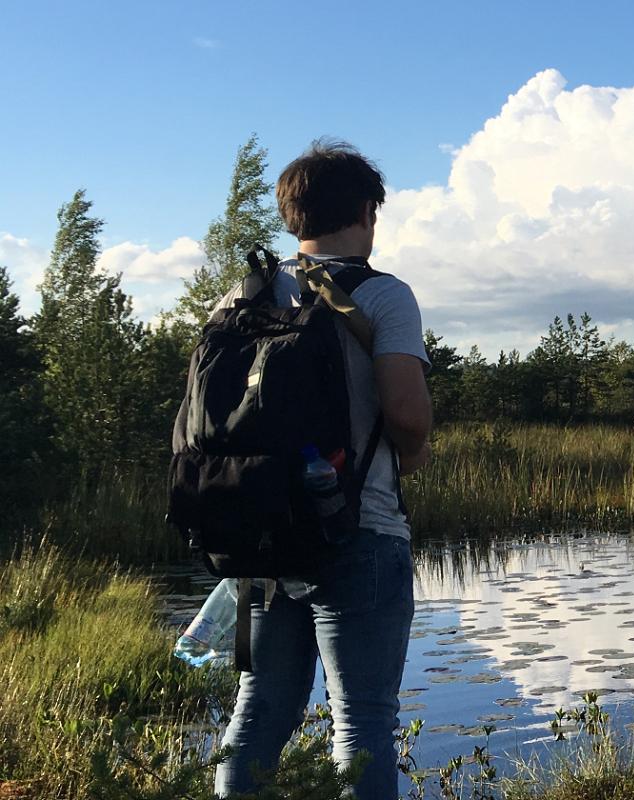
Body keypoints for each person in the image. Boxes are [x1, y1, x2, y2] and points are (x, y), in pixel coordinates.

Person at [215, 140, 432, 800]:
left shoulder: (238, 296)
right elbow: (406, 412)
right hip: (357, 532)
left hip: (259, 541)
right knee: (362, 720)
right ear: (367, 212)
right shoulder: (381, 294)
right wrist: (416, 444)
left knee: (256, 714)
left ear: (292, 215)